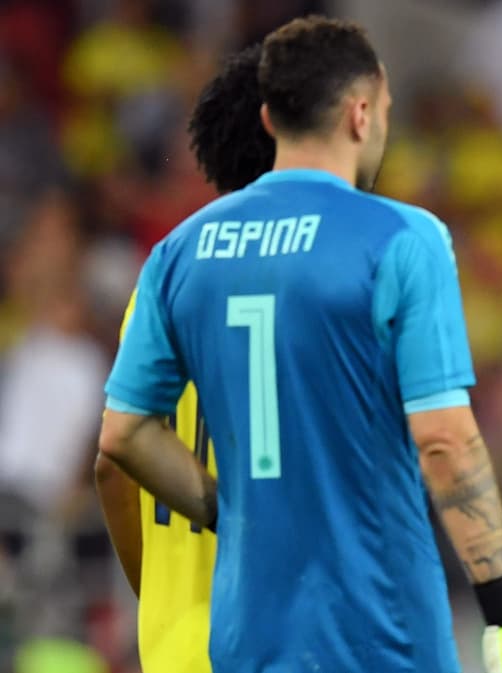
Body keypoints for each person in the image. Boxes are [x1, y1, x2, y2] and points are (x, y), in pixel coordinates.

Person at [97, 16, 502, 673]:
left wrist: (186, 562)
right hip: (347, 634)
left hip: (197, 643)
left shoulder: (172, 270)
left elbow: (115, 455)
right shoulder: (379, 248)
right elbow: (442, 438)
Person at [93, 43, 274, 673]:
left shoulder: (163, 278)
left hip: (175, 651)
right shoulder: (329, 282)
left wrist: (163, 607)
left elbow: (112, 466)